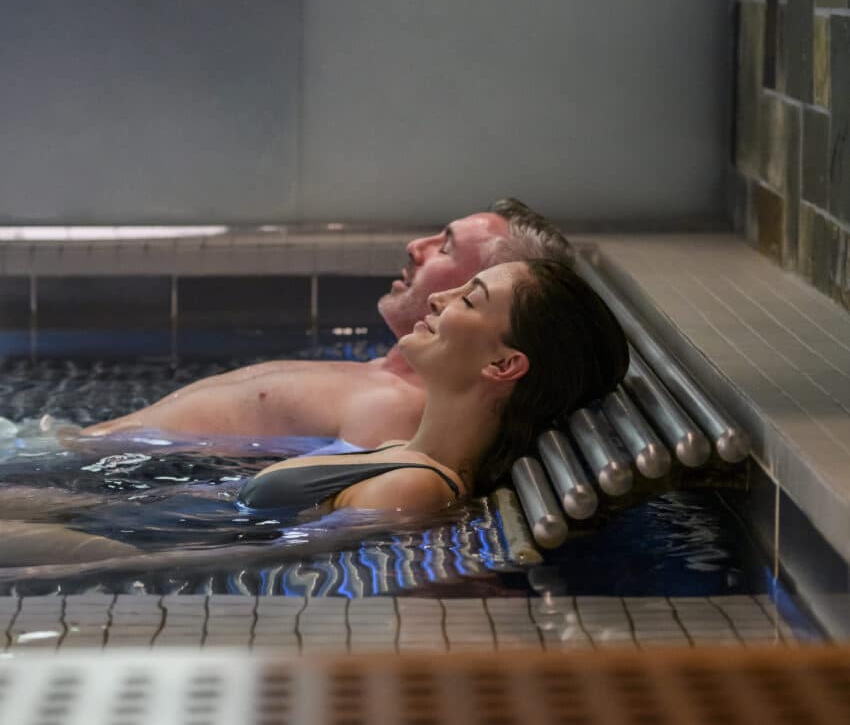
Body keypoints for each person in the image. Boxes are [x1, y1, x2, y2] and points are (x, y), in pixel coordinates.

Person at [0, 258, 627, 572]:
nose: (440, 296)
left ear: (503, 365)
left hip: (130, 545)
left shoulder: (414, 486)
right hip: (130, 517)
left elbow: (274, 570)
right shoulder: (405, 455)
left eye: (471, 298)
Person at [81, 200, 574, 448]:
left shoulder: (396, 410)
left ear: (480, 289)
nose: (415, 247)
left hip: (106, 486)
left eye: (444, 248)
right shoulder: (383, 375)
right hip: (89, 455)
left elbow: (309, 510)